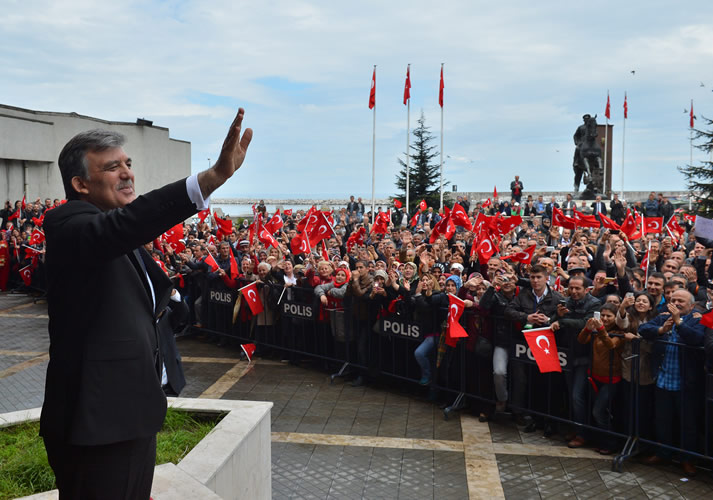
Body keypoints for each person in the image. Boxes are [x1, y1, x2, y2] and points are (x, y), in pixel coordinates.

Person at [40, 108, 252, 499]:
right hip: (96, 426)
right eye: (111, 167)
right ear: (80, 184)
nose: (127, 173)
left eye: (128, 164)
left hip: (129, 415)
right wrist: (210, 180)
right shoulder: (70, 225)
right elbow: (125, 226)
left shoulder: (112, 230)